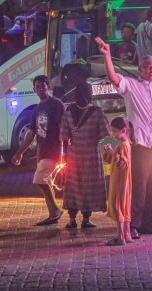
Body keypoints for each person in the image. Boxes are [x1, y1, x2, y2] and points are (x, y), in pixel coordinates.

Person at [94, 36, 152, 239]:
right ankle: (132, 224)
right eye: (147, 66)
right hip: (139, 144)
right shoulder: (132, 86)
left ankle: (148, 222)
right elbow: (114, 78)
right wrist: (107, 55)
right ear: (140, 70)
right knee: (138, 186)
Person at [12, 75, 65, 226]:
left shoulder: (56, 104)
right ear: (34, 90)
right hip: (42, 152)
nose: (41, 90)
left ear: (49, 87)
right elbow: (31, 133)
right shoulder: (36, 109)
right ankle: (53, 213)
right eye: (38, 87)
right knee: (45, 180)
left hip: (54, 150)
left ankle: (55, 210)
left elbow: (62, 127)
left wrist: (64, 150)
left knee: (39, 179)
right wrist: (19, 152)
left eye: (44, 86)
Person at [60, 81, 110, 229]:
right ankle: (86, 220)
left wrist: (64, 156)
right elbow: (103, 134)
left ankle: (72, 220)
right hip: (91, 156)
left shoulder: (68, 110)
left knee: (73, 186)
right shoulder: (97, 111)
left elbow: (64, 136)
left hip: (73, 155)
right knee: (90, 186)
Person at [102, 116, 134, 246]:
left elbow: (123, 163)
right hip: (122, 180)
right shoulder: (124, 145)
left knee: (118, 206)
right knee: (124, 206)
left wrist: (112, 152)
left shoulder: (123, 146)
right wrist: (110, 153)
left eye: (115, 131)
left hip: (120, 181)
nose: (113, 134)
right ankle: (127, 234)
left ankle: (120, 237)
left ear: (123, 130)